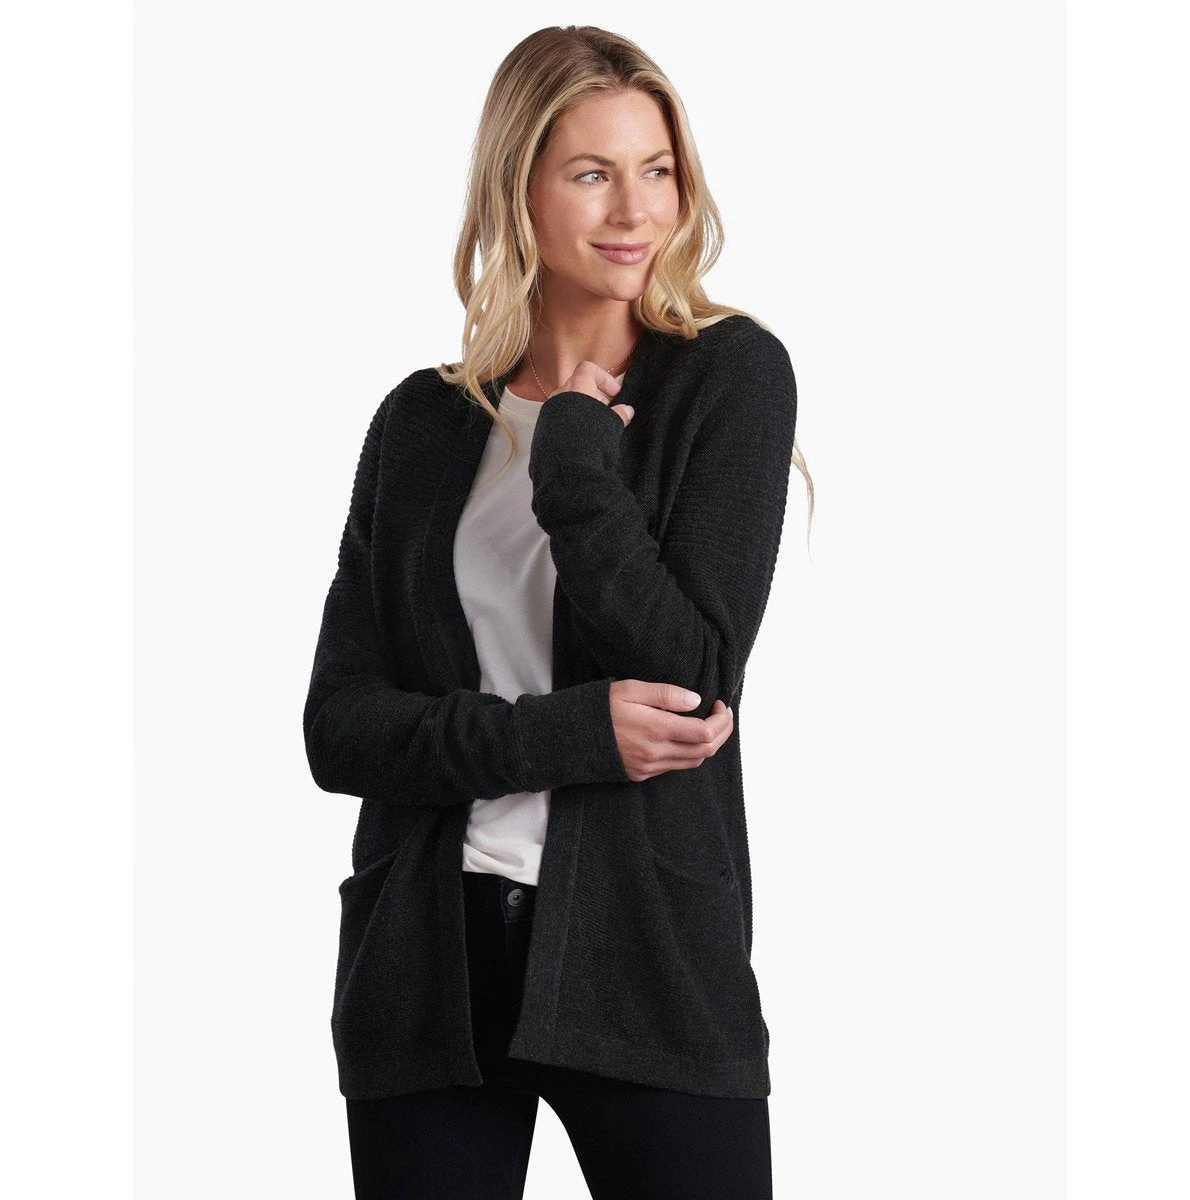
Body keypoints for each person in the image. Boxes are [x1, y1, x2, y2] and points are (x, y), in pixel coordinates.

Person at [303, 23, 814, 1200]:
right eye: (592, 173)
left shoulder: (727, 377)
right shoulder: (421, 425)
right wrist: (572, 733)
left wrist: (577, 459)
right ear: (517, 189)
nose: (636, 209)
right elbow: (340, 729)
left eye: (658, 170)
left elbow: (692, 679)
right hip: (426, 969)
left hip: (646, 962)